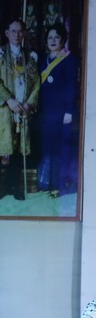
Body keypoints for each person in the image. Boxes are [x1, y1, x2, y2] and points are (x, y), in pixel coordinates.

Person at [36, 23, 79, 198]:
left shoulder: (69, 59)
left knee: (59, 149)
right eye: (50, 38)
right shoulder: (42, 60)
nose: (53, 41)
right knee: (47, 147)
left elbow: (71, 87)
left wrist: (69, 111)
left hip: (61, 112)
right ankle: (46, 183)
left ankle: (57, 185)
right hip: (45, 111)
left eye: (56, 37)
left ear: (63, 39)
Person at [0, 19, 39, 201]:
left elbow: (36, 83)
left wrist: (29, 104)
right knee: (3, 145)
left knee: (17, 149)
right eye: (13, 31)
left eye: (20, 31)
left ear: (24, 33)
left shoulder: (30, 57)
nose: (17, 34)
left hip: (22, 109)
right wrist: (9, 100)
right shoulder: (1, 54)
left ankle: (14, 187)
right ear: (7, 33)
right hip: (5, 109)